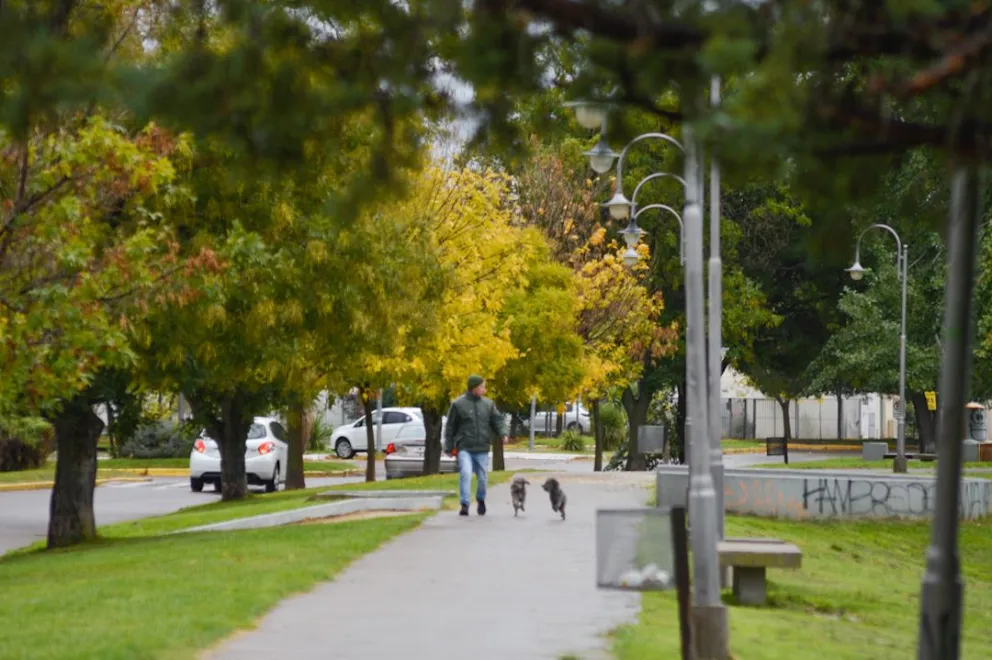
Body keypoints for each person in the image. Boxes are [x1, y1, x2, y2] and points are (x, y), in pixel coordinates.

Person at [444, 375, 508, 516]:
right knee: (466, 473)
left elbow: (497, 420)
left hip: (482, 447)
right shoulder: (458, 404)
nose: (485, 390)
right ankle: (465, 504)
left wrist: (503, 433)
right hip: (464, 447)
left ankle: (480, 499)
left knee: (483, 477)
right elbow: (450, 427)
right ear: (474, 388)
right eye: (482, 387)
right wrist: (448, 447)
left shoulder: (488, 405)